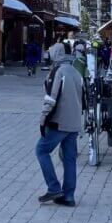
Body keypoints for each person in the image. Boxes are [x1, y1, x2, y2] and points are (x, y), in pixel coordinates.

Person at [36, 42, 85, 207]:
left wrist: (43, 120)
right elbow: (82, 99)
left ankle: (53, 187)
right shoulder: (76, 71)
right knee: (69, 159)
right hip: (74, 122)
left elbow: (51, 97)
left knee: (41, 150)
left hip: (59, 121)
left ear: (55, 54)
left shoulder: (58, 71)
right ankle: (69, 195)